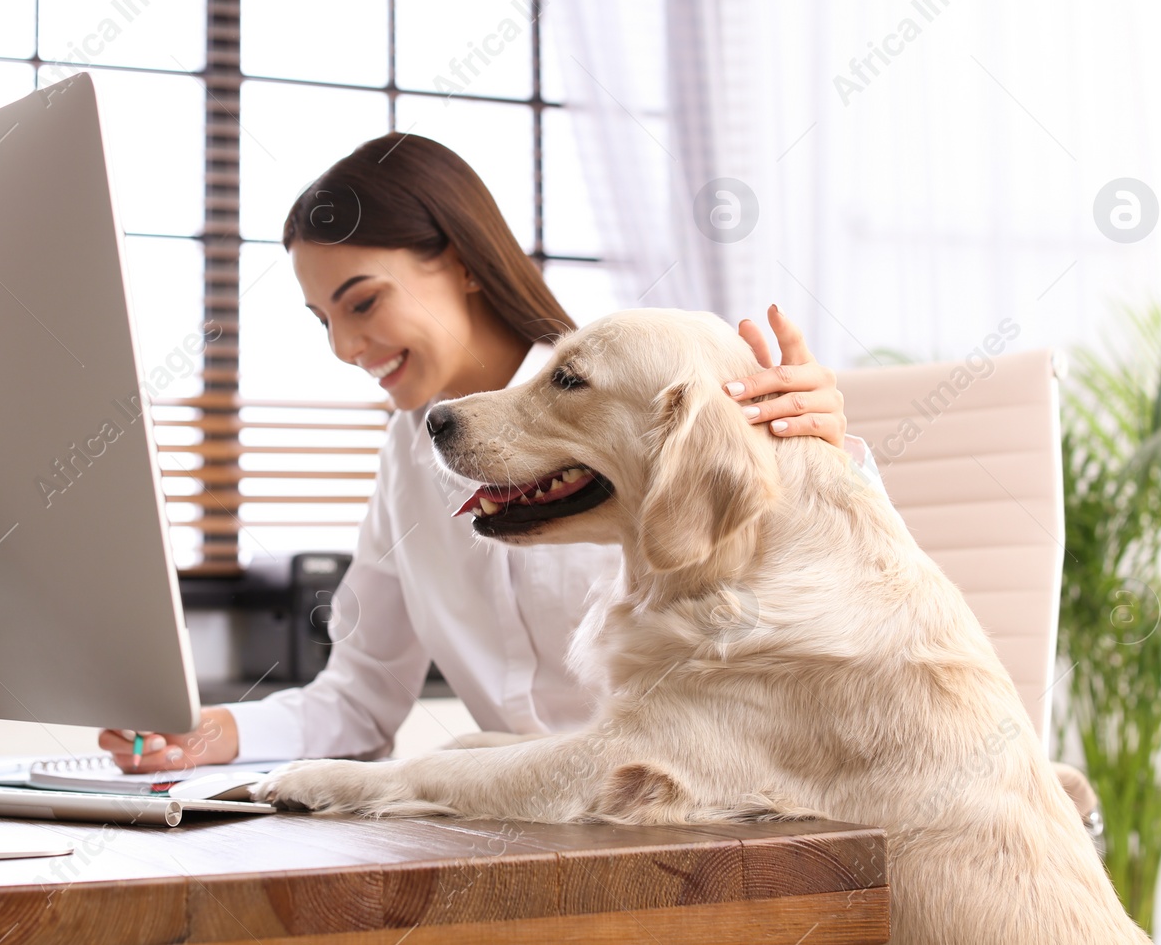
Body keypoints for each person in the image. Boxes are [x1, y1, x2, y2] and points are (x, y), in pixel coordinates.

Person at [99, 133, 882, 770]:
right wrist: (210, 735)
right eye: (322, 320)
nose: (344, 346)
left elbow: (834, 615)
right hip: (516, 834)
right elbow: (361, 697)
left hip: (676, 819)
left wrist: (820, 450)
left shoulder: (644, 395)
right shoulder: (411, 456)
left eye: (363, 302)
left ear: (463, 263)